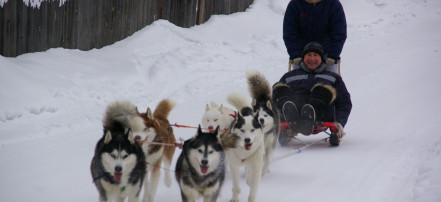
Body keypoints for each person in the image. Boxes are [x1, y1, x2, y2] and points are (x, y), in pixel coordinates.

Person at [272, 41, 351, 140]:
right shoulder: (290, 76)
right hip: (294, 113)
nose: (312, 59)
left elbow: (344, 103)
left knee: (323, 89)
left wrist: (339, 123)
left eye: (316, 55)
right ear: (303, 57)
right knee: (279, 88)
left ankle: (310, 113)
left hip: (321, 116)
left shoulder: (332, 78)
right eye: (308, 55)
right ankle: (290, 114)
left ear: (321, 58)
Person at [283, 0, 347, 74]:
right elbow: (289, 33)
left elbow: (339, 33)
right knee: (299, 84)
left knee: (327, 84)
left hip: (327, 57)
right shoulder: (295, 4)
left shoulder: (333, 4)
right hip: (301, 56)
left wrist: (333, 55)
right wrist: (295, 55)